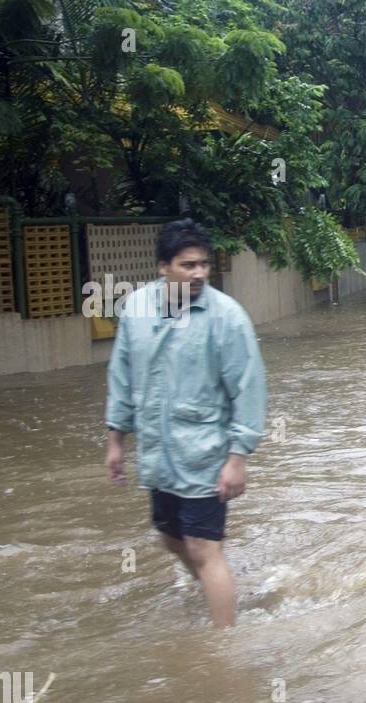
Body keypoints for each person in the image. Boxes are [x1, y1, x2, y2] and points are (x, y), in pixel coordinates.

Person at [105, 219, 267, 629]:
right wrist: (116, 440)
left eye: (204, 265)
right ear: (163, 267)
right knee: (170, 539)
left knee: (203, 547)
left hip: (204, 456)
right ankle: (223, 595)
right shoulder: (137, 310)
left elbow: (248, 389)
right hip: (158, 457)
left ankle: (223, 647)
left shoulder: (227, 318)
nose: (199, 273)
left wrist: (237, 458)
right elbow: (121, 376)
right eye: (188, 265)